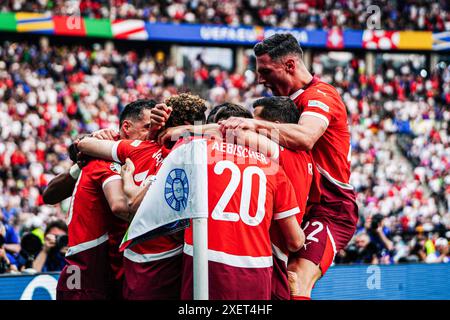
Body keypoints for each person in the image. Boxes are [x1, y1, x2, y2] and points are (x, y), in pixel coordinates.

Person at [219, 33, 359, 300]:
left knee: (294, 278)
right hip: (293, 205)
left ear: (290, 65)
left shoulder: (321, 95)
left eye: (265, 71)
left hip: (328, 208)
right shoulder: (284, 105)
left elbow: (306, 137)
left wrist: (255, 124)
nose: (260, 79)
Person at [77, 93, 207, 300]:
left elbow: (82, 144)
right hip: (170, 256)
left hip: (143, 256)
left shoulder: (138, 148)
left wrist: (128, 181)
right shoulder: (203, 157)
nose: (151, 131)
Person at [55, 99, 154, 300]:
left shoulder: (138, 158)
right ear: (127, 127)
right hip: (87, 272)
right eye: (147, 128)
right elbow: (119, 206)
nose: (151, 135)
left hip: (112, 271)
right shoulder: (106, 157)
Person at [252, 96, 314, 300]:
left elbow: (236, 135)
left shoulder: (279, 153)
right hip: (281, 251)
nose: (251, 127)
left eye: (256, 122)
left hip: (272, 253)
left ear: (275, 127)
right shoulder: (308, 158)